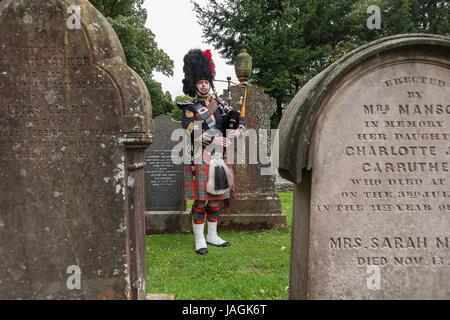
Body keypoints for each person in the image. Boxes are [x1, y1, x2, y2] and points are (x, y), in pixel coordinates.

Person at [178, 49, 245, 255]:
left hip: (219, 158)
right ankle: (200, 239)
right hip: (199, 157)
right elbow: (190, 129)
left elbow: (239, 122)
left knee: (216, 197)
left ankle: (212, 235)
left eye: (206, 81)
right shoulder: (189, 108)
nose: (204, 85)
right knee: (200, 200)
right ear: (194, 84)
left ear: (210, 82)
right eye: (200, 82)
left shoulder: (221, 105)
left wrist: (236, 131)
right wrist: (212, 138)